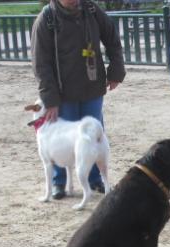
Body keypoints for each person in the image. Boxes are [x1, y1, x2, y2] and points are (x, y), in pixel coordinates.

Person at [31, 0, 125, 199]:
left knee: (92, 137)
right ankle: (59, 182)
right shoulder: (46, 19)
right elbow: (41, 63)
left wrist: (116, 70)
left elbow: (112, 38)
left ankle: (94, 180)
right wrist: (50, 99)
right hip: (62, 94)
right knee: (61, 139)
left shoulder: (92, 10)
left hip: (92, 87)